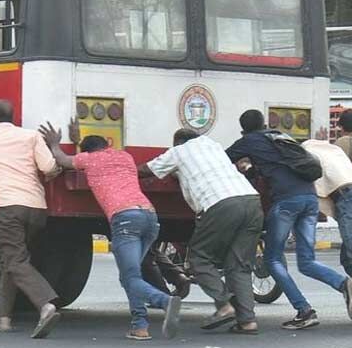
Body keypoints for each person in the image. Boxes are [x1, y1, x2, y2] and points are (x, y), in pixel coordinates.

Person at [39, 121, 181, 341]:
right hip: (150, 217)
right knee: (130, 276)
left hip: (125, 219)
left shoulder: (88, 159)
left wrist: (55, 144)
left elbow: (64, 161)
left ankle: (165, 302)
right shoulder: (125, 157)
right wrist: (80, 140)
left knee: (131, 277)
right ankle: (140, 326)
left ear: (87, 151)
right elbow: (93, 157)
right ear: (106, 145)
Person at [226, 109, 352, 329]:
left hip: (286, 202)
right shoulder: (280, 137)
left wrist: (245, 167)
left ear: (243, 129)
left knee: (272, 259)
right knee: (306, 261)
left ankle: (304, 310)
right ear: (264, 123)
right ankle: (344, 284)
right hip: (310, 199)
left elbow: (222, 159)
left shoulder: (248, 141)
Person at [140, 128, 263, 334]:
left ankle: (224, 306)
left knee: (199, 259)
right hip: (252, 201)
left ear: (178, 142)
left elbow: (147, 170)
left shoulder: (179, 151)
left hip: (220, 204)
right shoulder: (213, 146)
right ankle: (248, 321)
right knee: (239, 265)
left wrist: (120, 169)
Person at [0, 99, 61, 338]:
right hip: (36, 208)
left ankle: (45, 304)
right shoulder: (30, 136)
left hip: (7, 208)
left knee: (15, 260)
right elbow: (49, 168)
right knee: (10, 261)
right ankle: (3, 318)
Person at [302, 127, 352, 279]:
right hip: (344, 195)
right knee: (346, 257)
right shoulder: (331, 150)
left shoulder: (307, 155)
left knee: (350, 248)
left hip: (345, 196)